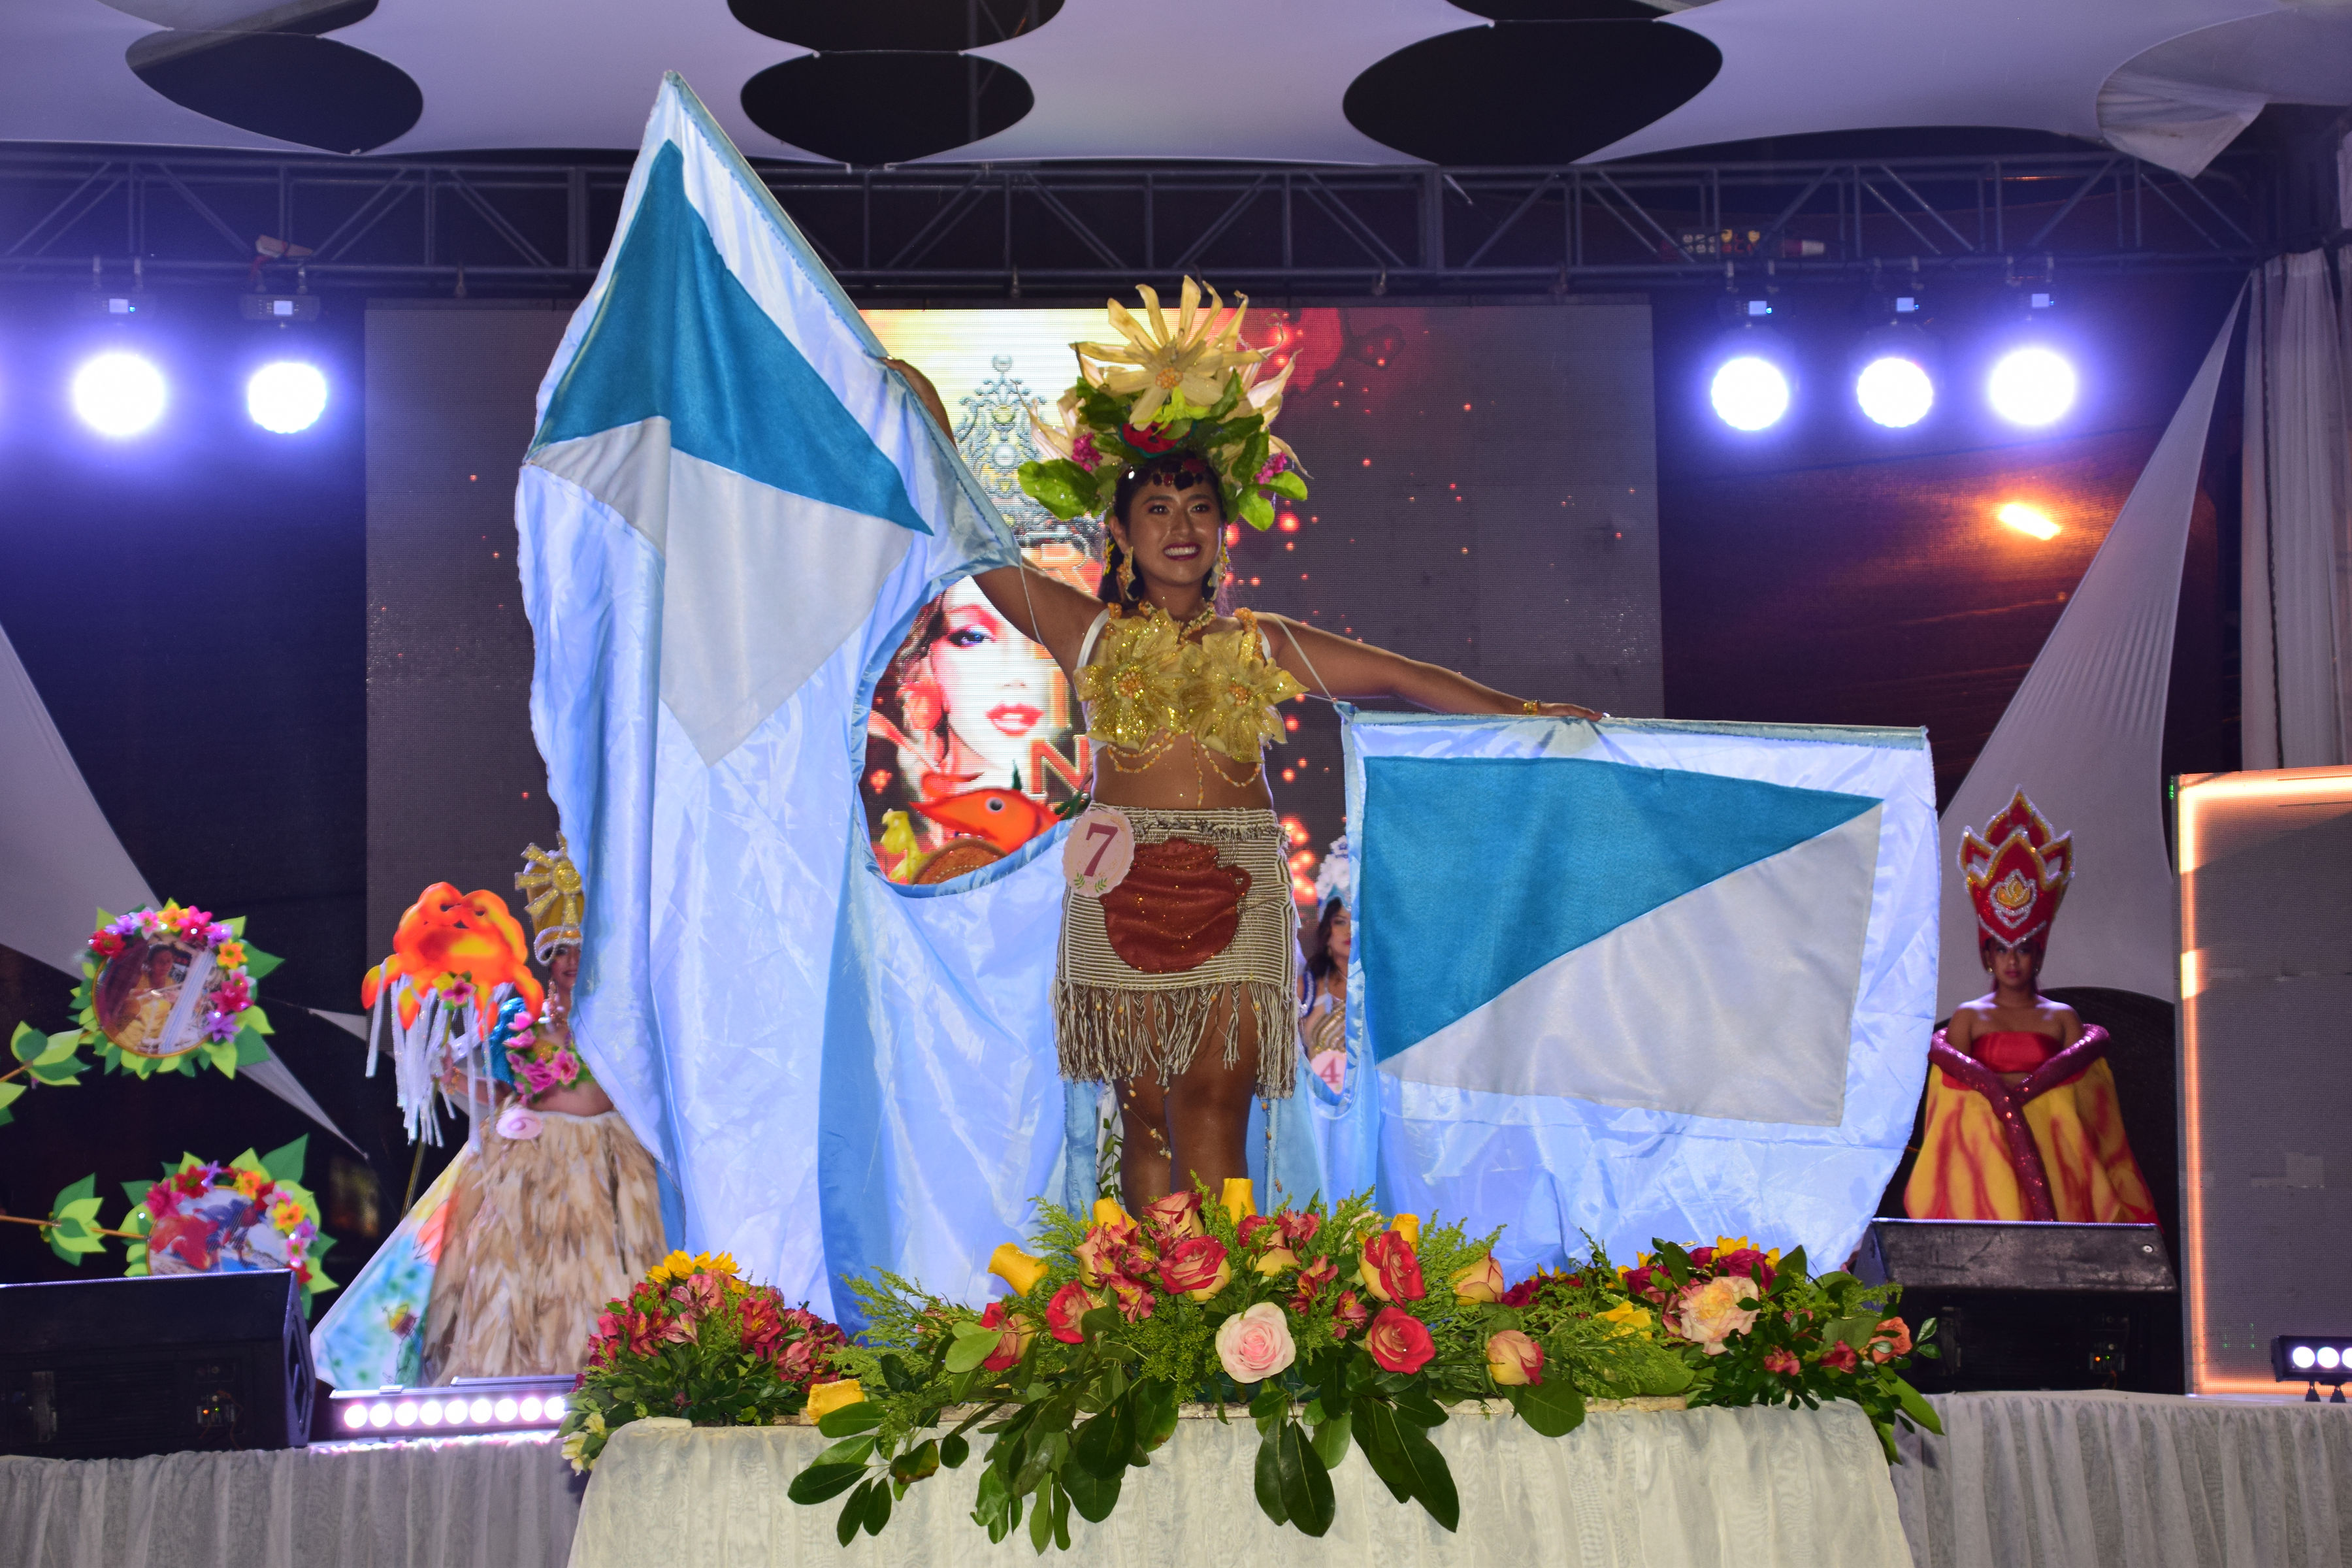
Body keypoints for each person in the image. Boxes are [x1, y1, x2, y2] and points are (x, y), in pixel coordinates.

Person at [890, 278, 1596, 1210]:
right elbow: (976, 549)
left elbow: (1402, 677)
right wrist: (924, 423)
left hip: (1239, 879)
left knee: (1215, 1105)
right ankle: (1150, 1296)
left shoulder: (1265, 643)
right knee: (1144, 1114)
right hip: (1117, 875)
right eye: (1158, 510)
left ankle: (1220, 1295)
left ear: (1223, 530)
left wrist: (1523, 708)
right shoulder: (1085, 632)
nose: (1180, 528)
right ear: (1118, 530)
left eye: (1198, 508)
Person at [1904, 791, 2158, 1224]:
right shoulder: (1969, 1018)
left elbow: (2085, 1100)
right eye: (2002, 949)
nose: (2012, 960)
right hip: (1985, 1157)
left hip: (2056, 1154)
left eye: (2023, 949)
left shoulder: (2062, 1018)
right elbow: (1949, 1105)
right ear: (1988, 955)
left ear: (2038, 955)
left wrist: (2034, 1103)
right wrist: (1999, 1104)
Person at [1302, 898, 1350, 1092]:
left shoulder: (1383, 988)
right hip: (1316, 1101)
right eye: (1340, 922)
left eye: (1357, 921)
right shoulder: (1307, 987)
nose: (1350, 930)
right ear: (1326, 932)